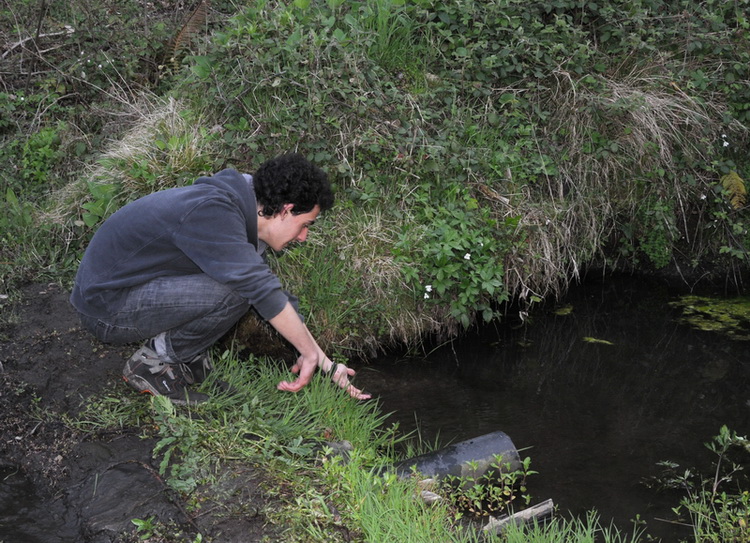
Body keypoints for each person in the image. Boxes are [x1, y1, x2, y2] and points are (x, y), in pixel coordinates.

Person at [70, 153, 370, 404]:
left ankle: (181, 358)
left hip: (135, 289)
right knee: (238, 291)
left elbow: (273, 293)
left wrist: (325, 363)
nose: (303, 237)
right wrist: (308, 352)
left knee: (245, 286)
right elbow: (260, 290)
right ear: (286, 210)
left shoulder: (247, 208)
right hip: (106, 307)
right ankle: (154, 363)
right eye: (305, 225)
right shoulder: (214, 212)